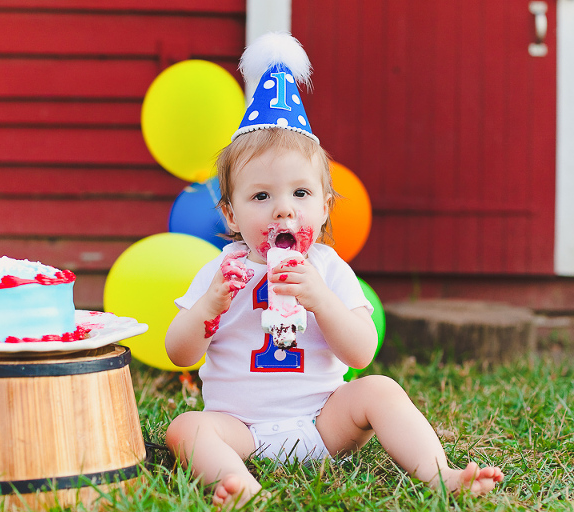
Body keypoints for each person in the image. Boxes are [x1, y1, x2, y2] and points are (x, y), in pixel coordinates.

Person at [164, 33, 504, 508]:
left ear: (324, 208)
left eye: (300, 194)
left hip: (323, 421)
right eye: (261, 196)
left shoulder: (328, 267)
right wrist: (210, 306)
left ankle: (440, 473)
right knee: (185, 428)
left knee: (380, 390)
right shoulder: (222, 271)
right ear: (231, 215)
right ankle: (238, 481)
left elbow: (362, 353)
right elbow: (179, 354)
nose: (283, 211)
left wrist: (321, 298)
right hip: (238, 426)